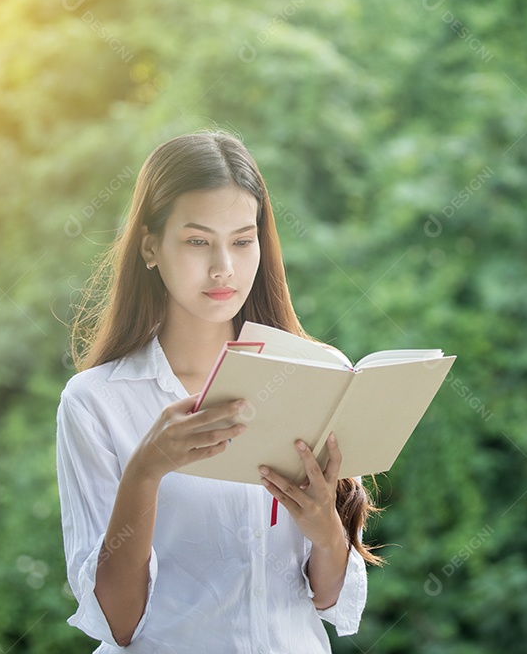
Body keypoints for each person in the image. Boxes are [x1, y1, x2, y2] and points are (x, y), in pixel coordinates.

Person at [56, 132, 381, 653]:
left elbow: (326, 600)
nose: (223, 267)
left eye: (242, 241)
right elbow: (118, 622)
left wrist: (326, 532)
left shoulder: (318, 375)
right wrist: (146, 470)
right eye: (197, 241)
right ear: (150, 246)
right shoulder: (96, 401)